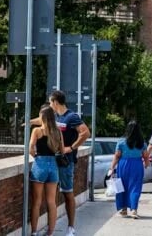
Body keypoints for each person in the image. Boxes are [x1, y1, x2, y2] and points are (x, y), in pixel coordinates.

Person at [47, 90, 89, 236]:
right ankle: (51, 229)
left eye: (50, 102)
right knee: (51, 195)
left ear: (55, 102)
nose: (49, 105)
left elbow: (85, 133)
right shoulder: (55, 116)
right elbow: (42, 120)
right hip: (53, 160)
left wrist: (71, 148)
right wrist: (29, 122)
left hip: (66, 162)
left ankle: (71, 228)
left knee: (67, 193)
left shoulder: (71, 117)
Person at [28, 106, 63, 236]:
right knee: (51, 201)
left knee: (37, 201)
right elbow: (62, 150)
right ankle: (50, 232)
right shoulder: (57, 132)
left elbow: (31, 148)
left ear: (42, 117)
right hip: (53, 166)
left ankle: (34, 232)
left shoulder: (37, 130)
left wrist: (36, 156)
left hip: (40, 164)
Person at [110, 120, 150, 219]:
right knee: (135, 187)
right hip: (137, 165)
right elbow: (145, 156)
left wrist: (112, 167)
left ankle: (123, 209)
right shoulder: (141, 143)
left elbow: (117, 156)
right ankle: (134, 210)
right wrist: (146, 164)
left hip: (123, 164)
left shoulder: (121, 142)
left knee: (122, 186)